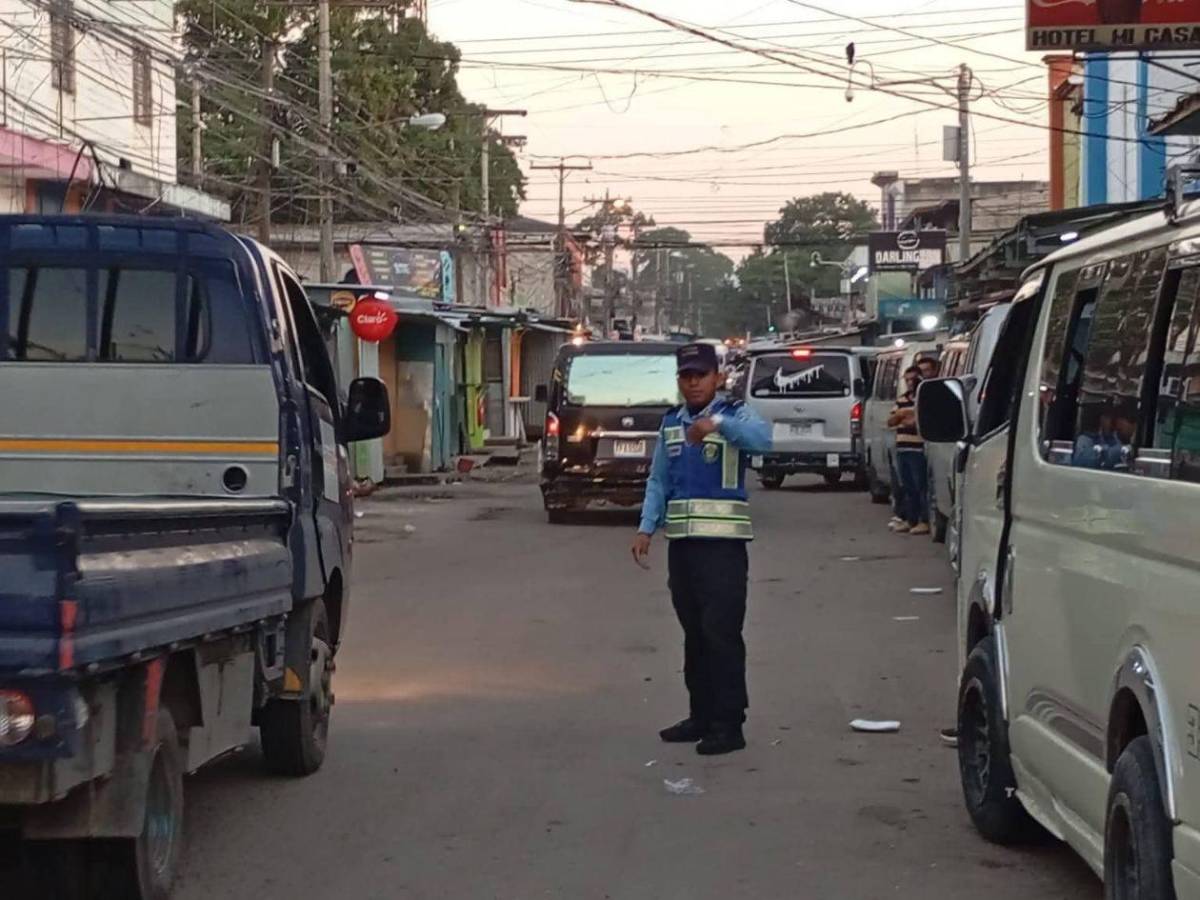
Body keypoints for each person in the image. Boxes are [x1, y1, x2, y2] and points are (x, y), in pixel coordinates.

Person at [631, 342, 772, 756]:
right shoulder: (671, 422)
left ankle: (729, 724)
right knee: (694, 634)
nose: (693, 383)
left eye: (701, 375)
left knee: (721, 633)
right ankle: (701, 716)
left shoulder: (735, 414)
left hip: (723, 549)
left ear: (718, 378)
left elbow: (764, 441)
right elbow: (659, 479)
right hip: (683, 548)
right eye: (686, 376)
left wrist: (717, 425)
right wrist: (646, 527)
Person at [887, 366, 930, 536]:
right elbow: (891, 421)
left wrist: (906, 416)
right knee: (907, 486)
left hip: (918, 448)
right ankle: (910, 519)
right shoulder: (902, 399)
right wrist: (902, 414)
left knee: (920, 485)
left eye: (913, 379)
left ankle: (923, 520)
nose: (910, 383)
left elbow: (918, 421)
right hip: (902, 447)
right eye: (907, 380)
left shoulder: (924, 398)